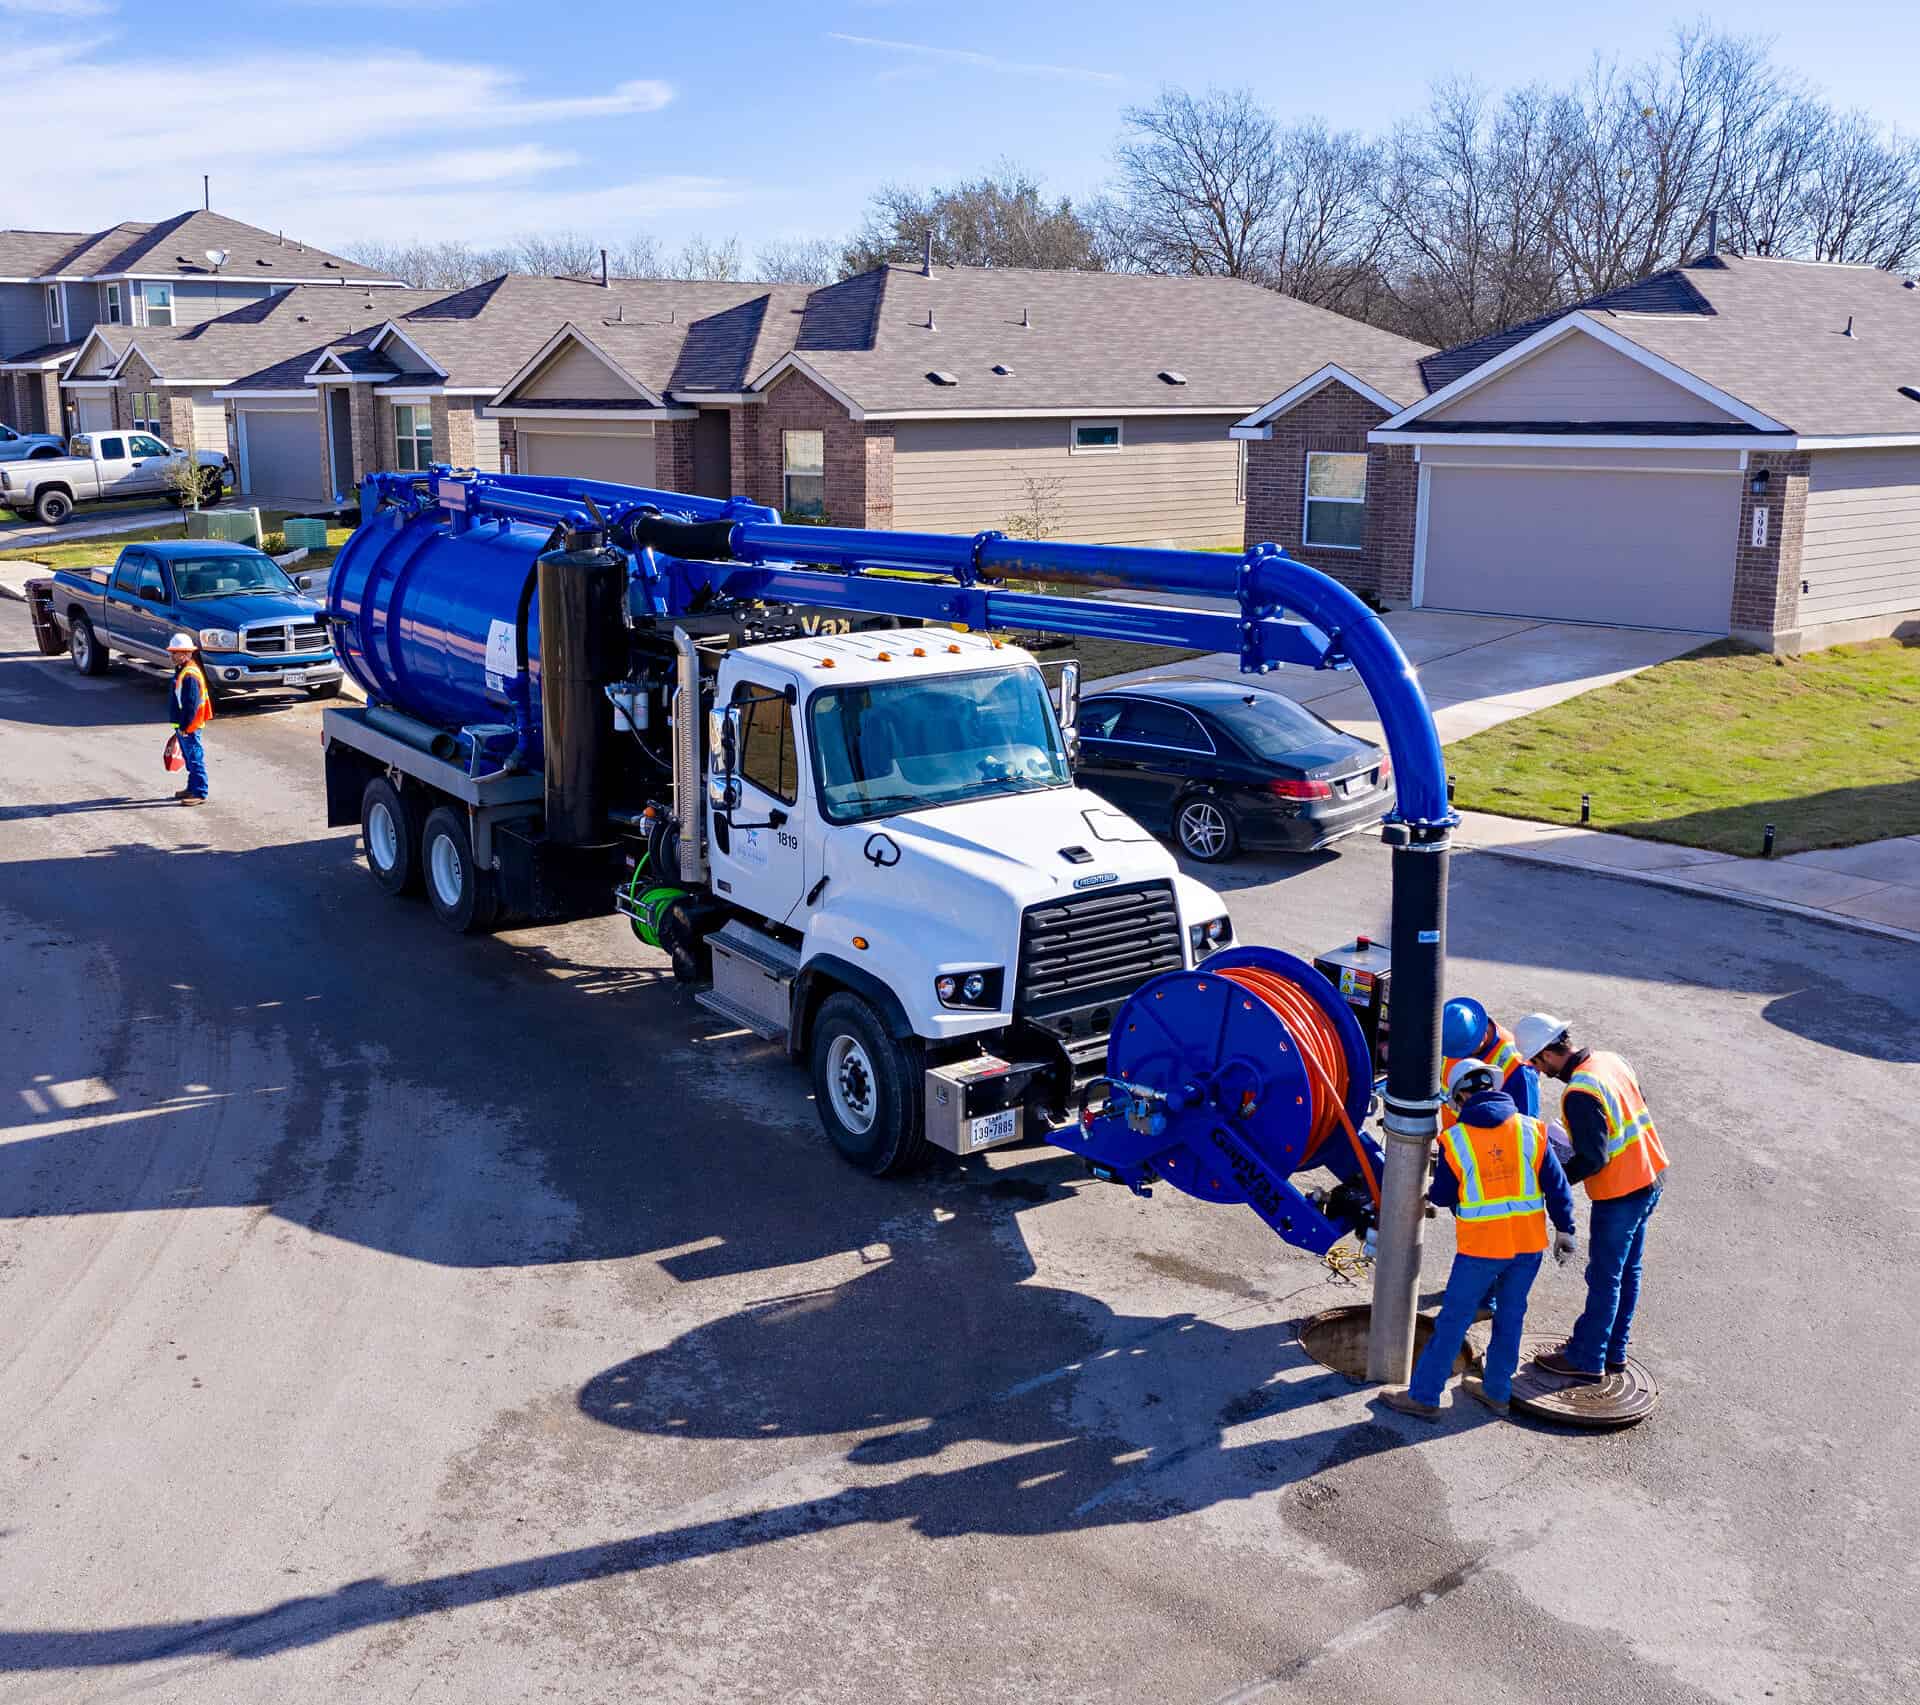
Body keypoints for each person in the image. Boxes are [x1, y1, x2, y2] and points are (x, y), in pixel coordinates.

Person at [1382, 1058, 1578, 1421]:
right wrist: (1565, 1229)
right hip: (1528, 1247)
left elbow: (1440, 1196)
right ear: (1495, 1089)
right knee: (1511, 1317)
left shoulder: (1456, 1141)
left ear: (1459, 1098)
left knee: (1454, 1320)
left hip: (1482, 1250)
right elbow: (1557, 1185)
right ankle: (1497, 1392)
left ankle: (1424, 1396)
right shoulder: (1531, 1130)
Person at [1514, 1013, 1669, 1381]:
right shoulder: (1610, 1060)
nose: (1538, 1071)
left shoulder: (1580, 1092)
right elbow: (1631, 1109)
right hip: (1652, 1174)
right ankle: (1614, 1351)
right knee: (1627, 1273)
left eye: (1536, 1062)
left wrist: (1555, 1180)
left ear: (1547, 1055)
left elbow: (1594, 1158)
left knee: (1604, 1277)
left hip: (1622, 1193)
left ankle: (1587, 1358)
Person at [1439, 996, 1538, 1126]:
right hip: (1452, 1141)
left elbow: (1526, 1127)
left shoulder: (1518, 1067)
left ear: (1483, 1036)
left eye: (1465, 1052)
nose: (1459, 1057)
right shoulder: (1450, 1038)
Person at [165, 631, 213, 806]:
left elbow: (190, 705)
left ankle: (199, 792)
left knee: (194, 758)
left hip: (190, 726)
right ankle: (192, 787)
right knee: (189, 758)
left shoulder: (190, 675)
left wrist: (185, 727)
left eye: (174, 653)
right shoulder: (183, 670)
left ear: (185, 654)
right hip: (184, 725)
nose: (171, 655)